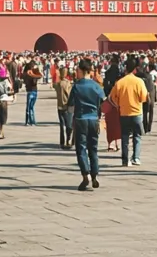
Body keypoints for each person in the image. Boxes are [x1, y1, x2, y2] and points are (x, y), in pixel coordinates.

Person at [68, 57, 106, 191]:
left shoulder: (77, 86)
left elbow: (70, 105)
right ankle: (95, 175)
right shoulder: (97, 86)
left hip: (80, 119)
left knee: (81, 149)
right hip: (94, 119)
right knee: (93, 148)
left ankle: (86, 174)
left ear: (82, 70)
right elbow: (104, 103)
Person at [109, 56, 149, 166]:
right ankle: (135, 158)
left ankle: (125, 160)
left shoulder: (120, 82)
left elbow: (112, 97)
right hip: (137, 113)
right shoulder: (139, 82)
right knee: (137, 136)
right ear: (135, 69)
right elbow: (144, 97)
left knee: (125, 137)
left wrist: (118, 105)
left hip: (124, 113)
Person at [54, 66, 74, 148]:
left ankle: (62, 141)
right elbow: (70, 95)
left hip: (59, 106)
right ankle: (68, 140)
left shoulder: (57, 84)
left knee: (62, 125)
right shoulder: (68, 83)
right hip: (67, 106)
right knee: (69, 125)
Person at [23, 60, 41, 125]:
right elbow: (25, 79)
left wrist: (33, 74)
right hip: (31, 90)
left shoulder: (34, 72)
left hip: (33, 90)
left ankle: (30, 121)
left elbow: (40, 76)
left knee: (30, 107)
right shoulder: (26, 73)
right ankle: (30, 121)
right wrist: (31, 75)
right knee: (30, 107)